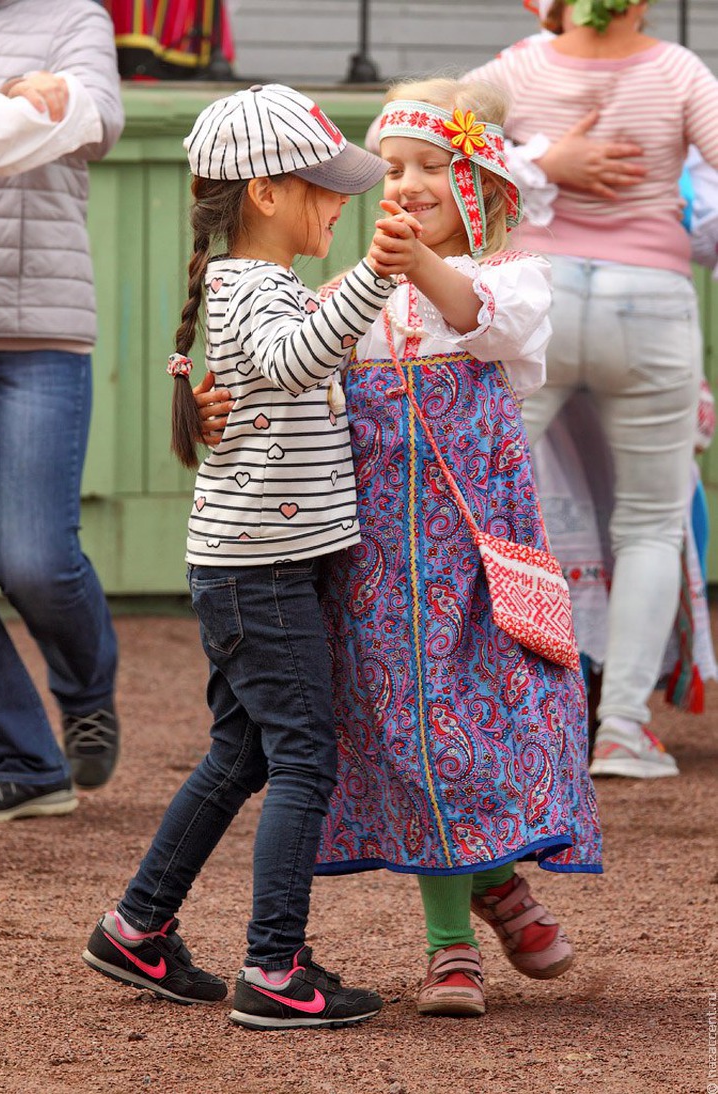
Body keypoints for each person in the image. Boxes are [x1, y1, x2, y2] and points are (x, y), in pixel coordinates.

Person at [198, 76, 602, 1019]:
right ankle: (453, 944)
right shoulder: (349, 293)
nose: (405, 183)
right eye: (392, 169)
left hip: (477, 553)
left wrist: (414, 265)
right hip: (378, 560)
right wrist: (215, 405)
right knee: (413, 727)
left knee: (488, 718)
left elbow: (475, 313)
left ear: (478, 186)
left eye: (429, 165)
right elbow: (286, 367)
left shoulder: (509, 280)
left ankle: (496, 876)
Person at [82, 83, 412, 1031]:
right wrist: (375, 273)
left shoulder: (250, 285)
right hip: (259, 571)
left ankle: (137, 927)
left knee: (243, 752)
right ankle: (273, 968)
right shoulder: (253, 289)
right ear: (265, 193)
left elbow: (288, 369)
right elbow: (297, 359)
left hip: (255, 564)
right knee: (304, 754)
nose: (342, 201)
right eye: (325, 186)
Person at [462, 0, 718, 778]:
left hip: (535, 295)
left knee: (481, 504)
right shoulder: (678, 70)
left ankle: (480, 710)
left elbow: (399, 125)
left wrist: (531, 154)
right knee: (649, 524)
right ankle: (622, 731)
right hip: (650, 302)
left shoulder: (517, 69)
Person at [0, 0, 125, 823]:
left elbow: (94, 117)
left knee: (34, 560)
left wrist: (56, 105)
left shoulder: (76, 16)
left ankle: (86, 692)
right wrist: (17, 99)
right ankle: (23, 759)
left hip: (39, 330)